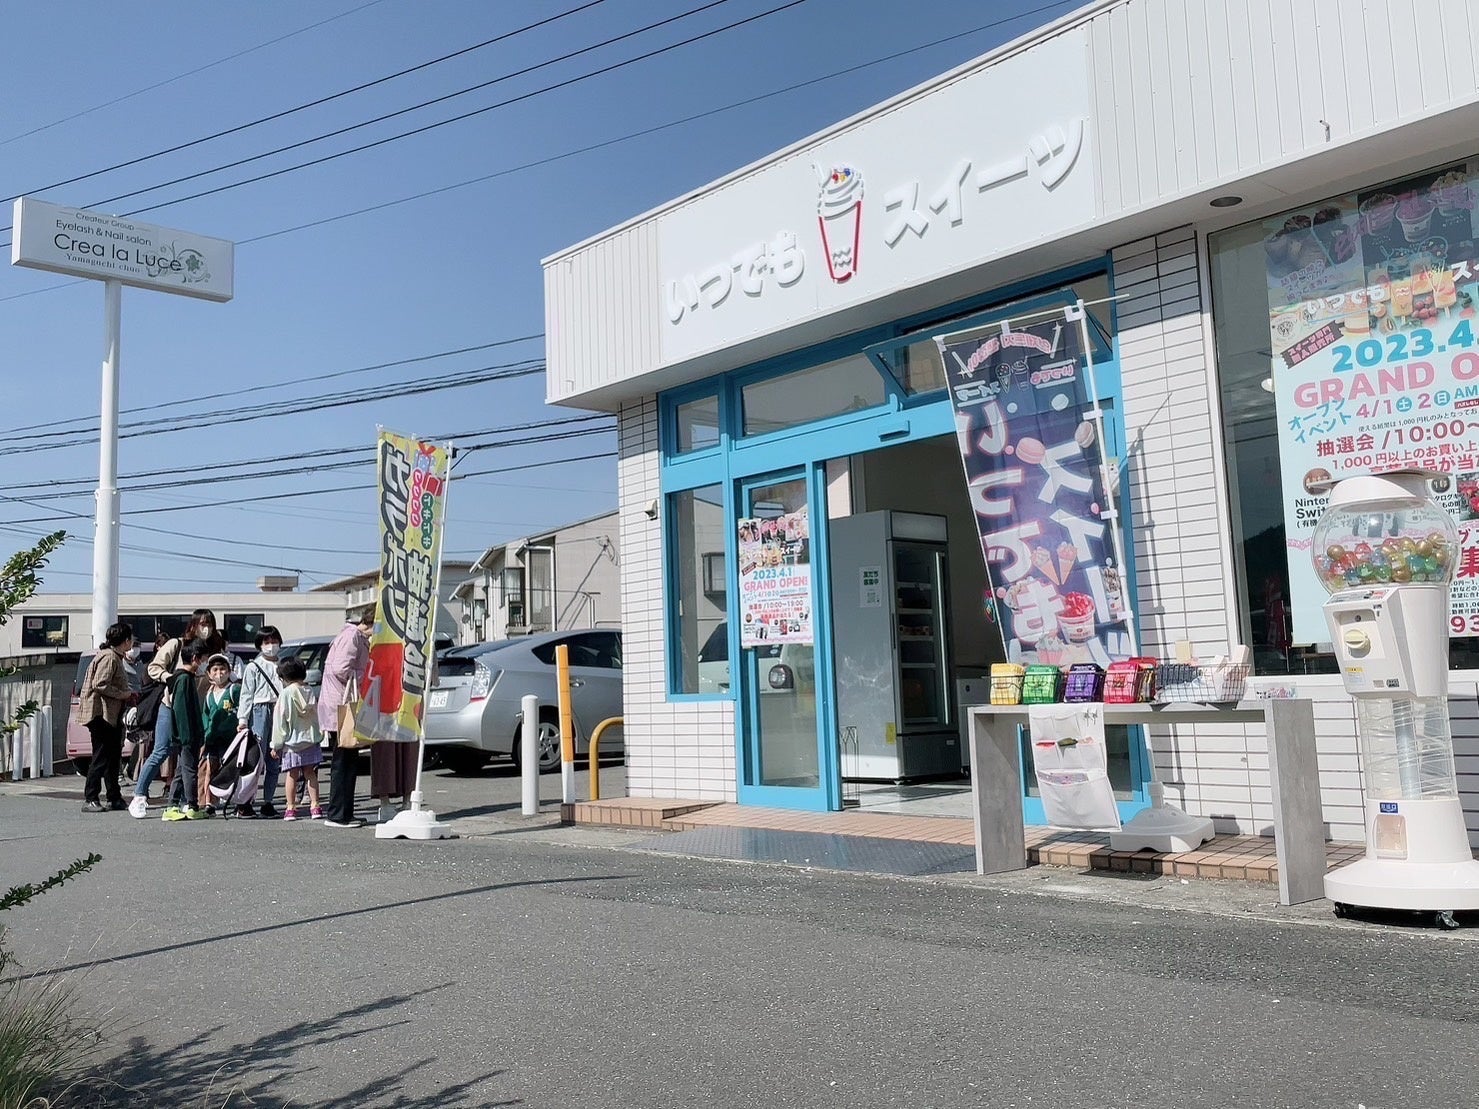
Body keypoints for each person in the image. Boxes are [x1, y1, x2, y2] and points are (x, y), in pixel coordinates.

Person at [136, 611, 218, 812]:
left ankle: (181, 801)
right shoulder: (177, 644)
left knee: (186, 756)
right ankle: (139, 795)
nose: (206, 628)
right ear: (193, 625)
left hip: (196, 709)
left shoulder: (213, 650)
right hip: (170, 706)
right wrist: (170, 677)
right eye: (202, 624)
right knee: (161, 750)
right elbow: (153, 668)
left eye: (209, 624)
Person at [319, 610, 373, 829]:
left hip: (340, 705)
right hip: (341, 706)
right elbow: (341, 669)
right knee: (343, 762)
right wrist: (365, 677)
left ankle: (345, 813)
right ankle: (338, 814)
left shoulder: (352, 635)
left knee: (348, 760)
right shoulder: (353, 636)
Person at [79, 622, 138, 813]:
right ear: (125, 640)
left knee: (113, 757)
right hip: (101, 715)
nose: (132, 642)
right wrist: (124, 694)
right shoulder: (109, 657)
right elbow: (100, 683)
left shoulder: (113, 656)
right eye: (130, 638)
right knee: (101, 756)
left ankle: (114, 797)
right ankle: (91, 797)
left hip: (109, 715)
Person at [237, 626, 284, 818]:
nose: (271, 645)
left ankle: (268, 802)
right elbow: (246, 694)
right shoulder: (253, 667)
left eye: (274, 641)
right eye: (267, 642)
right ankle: (245, 802)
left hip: (279, 709)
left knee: (275, 757)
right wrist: (242, 719)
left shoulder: (283, 664)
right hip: (259, 710)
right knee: (255, 759)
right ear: (260, 645)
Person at [161, 641, 209, 822]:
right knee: (190, 770)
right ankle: (192, 805)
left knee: (182, 770)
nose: (205, 663)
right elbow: (181, 710)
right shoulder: (184, 679)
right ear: (195, 658)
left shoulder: (183, 678)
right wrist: (187, 736)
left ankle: (172, 805)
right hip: (187, 735)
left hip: (186, 734)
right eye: (204, 659)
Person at [271, 657, 322, 821]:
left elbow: (280, 720)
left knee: (292, 774)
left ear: (284, 677)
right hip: (310, 739)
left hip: (292, 742)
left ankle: (291, 808)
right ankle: (315, 806)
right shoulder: (310, 691)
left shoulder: (286, 694)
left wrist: (276, 744)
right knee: (310, 773)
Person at [200, 654, 242, 816]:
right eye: (215, 670)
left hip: (231, 739)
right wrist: (205, 736)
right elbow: (206, 716)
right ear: (209, 673)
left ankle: (237, 800)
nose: (219, 673)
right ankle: (210, 803)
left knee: (232, 770)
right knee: (211, 769)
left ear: (229, 671)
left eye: (222, 669)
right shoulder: (209, 694)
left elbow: (243, 709)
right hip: (213, 739)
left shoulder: (234, 690)